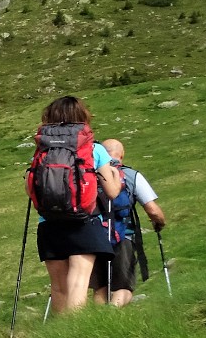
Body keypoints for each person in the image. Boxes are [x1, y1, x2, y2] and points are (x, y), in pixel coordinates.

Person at [34, 96, 121, 313]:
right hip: (85, 220)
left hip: (49, 222)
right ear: (82, 116)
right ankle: (72, 335)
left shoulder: (43, 148)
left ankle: (58, 337)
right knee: (79, 281)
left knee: (59, 286)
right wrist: (115, 176)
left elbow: (31, 188)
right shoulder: (93, 148)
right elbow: (111, 191)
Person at [91, 138, 167, 307]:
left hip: (94, 237)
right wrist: (160, 222)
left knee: (100, 288)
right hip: (122, 236)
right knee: (123, 287)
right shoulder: (131, 175)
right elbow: (153, 210)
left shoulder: (91, 174)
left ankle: (98, 322)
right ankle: (112, 314)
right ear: (122, 154)